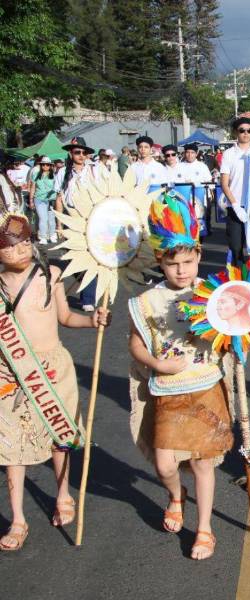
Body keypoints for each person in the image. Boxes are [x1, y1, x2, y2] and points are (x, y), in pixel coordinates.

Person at [128, 195, 235, 560]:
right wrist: (158, 365)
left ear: (199, 257)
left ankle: (204, 529)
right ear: (160, 260)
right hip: (169, 391)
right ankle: (176, 494)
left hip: (204, 387)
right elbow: (136, 346)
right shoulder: (148, 301)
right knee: (165, 464)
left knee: (203, 463)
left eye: (188, 262)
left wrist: (237, 338)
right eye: (174, 264)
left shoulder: (214, 293)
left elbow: (233, 331)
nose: (182, 271)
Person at [0, 211, 110, 551]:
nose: (21, 250)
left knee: (60, 435)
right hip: (11, 372)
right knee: (11, 447)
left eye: (27, 243)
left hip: (53, 368)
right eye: (10, 246)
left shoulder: (51, 274)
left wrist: (92, 320)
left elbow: (64, 317)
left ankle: (63, 493)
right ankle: (18, 518)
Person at [54, 137, 98, 311]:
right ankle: (89, 281)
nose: (80, 155)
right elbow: (59, 199)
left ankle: (88, 298)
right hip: (70, 217)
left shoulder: (95, 171)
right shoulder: (63, 172)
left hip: (89, 217)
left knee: (88, 256)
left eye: (83, 152)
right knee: (72, 258)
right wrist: (59, 224)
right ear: (71, 153)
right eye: (76, 152)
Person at [220, 118, 250, 266]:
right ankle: (238, 280)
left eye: (249, 130)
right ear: (236, 132)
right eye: (242, 130)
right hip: (236, 207)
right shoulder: (228, 154)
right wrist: (235, 205)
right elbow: (224, 183)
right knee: (236, 246)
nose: (246, 134)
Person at [28, 156, 57, 243]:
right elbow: (33, 187)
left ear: (50, 166)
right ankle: (43, 237)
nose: (45, 166)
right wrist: (31, 200)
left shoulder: (54, 176)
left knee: (51, 218)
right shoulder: (35, 174)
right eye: (43, 164)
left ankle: (52, 235)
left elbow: (57, 188)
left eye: (47, 165)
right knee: (43, 218)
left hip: (51, 199)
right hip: (39, 199)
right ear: (40, 165)